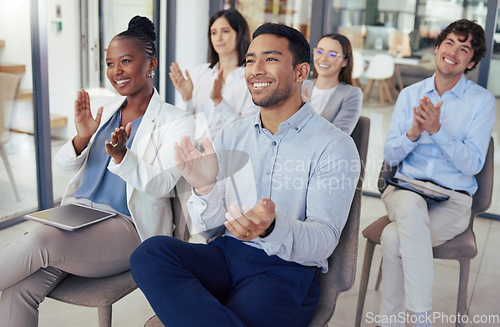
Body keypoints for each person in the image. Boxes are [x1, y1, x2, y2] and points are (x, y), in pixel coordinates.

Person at [130, 23, 360, 327]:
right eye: (250, 60)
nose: (256, 70)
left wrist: (271, 228)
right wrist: (205, 187)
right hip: (226, 255)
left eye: (271, 59)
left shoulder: (334, 146)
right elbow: (211, 232)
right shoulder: (230, 136)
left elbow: (324, 240)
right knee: (150, 253)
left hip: (286, 272)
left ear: (301, 72)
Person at [0, 16, 194, 326]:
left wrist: (122, 156)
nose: (116, 70)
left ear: (151, 64)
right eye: (109, 63)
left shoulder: (176, 121)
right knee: (18, 288)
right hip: (76, 216)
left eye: (126, 61)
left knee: (38, 242)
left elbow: (163, 184)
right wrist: (81, 138)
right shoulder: (104, 108)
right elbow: (64, 166)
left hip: (127, 227)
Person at [379, 19, 495, 327]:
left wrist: (437, 130)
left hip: (453, 201)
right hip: (405, 189)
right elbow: (390, 155)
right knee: (411, 204)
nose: (454, 52)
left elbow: (473, 165)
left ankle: (388, 322)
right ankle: (421, 319)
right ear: (437, 48)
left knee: (393, 239)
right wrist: (414, 133)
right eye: (450, 43)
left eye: (464, 48)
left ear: (472, 61)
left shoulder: (481, 102)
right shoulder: (409, 95)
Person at [169, 9, 259, 140]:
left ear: (240, 34)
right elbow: (180, 125)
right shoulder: (200, 73)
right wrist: (186, 98)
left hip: (227, 156)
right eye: (214, 33)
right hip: (191, 153)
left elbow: (246, 132)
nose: (218, 38)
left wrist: (219, 101)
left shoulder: (250, 80)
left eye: (225, 31)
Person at [303, 33, 363, 135]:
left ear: (344, 61)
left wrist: (305, 109)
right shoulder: (301, 86)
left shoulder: (351, 94)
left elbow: (338, 136)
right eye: (320, 51)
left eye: (332, 54)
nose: (323, 59)